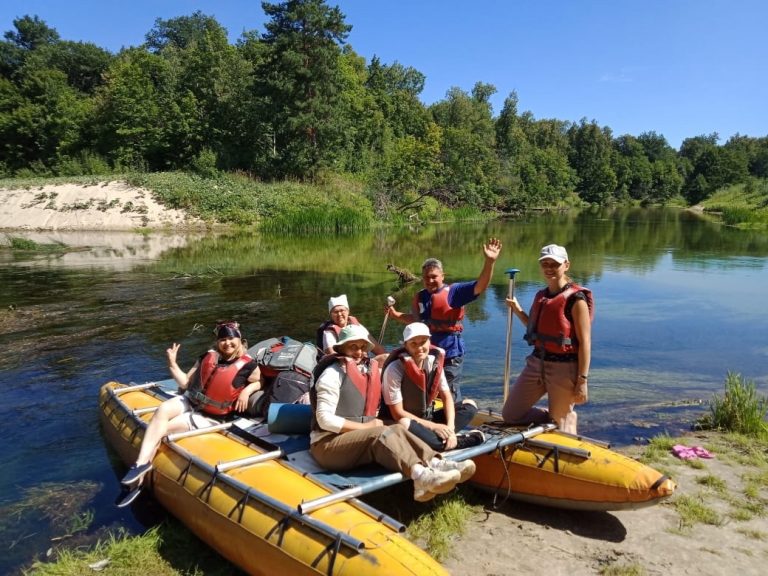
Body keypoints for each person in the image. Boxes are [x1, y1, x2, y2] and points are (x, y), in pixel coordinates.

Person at [310, 324, 476, 502]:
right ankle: (420, 477)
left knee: (397, 427)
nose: (359, 352)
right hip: (328, 445)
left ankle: (436, 463)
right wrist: (365, 427)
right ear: (341, 348)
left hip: (355, 438)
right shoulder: (332, 374)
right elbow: (325, 420)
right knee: (381, 432)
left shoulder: (365, 369)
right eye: (353, 347)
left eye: (362, 347)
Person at [120, 322, 262, 487]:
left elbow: (260, 381)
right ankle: (141, 464)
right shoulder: (208, 357)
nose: (227, 343)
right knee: (163, 409)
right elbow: (185, 383)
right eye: (222, 339)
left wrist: (247, 391)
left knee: (161, 430)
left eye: (231, 339)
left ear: (239, 339)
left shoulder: (249, 365)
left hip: (211, 416)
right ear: (217, 342)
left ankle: (140, 478)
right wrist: (172, 363)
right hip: (191, 401)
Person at [387, 237, 502, 402]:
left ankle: (453, 423)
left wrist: (490, 262)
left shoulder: (454, 293)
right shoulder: (422, 296)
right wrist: (396, 315)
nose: (430, 280)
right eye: (426, 277)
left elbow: (480, 286)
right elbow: (419, 322)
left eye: (434, 276)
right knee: (430, 391)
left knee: (449, 392)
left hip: (450, 354)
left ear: (442, 276)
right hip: (427, 353)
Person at [501, 244, 593, 434]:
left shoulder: (577, 299)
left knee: (562, 427)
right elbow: (536, 330)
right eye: (545, 264)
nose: (549, 268)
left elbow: (585, 343)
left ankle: (563, 418)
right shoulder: (541, 296)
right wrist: (518, 310)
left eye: (555, 264)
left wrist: (582, 380)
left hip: (564, 368)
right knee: (510, 414)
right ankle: (555, 416)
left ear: (566, 265)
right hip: (536, 362)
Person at [381, 322, 484, 451]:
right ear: (405, 345)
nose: (419, 348)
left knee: (470, 405)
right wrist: (434, 427)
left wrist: (450, 429)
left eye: (423, 342)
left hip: (426, 418)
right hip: (405, 421)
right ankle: (453, 443)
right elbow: (397, 413)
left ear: (429, 342)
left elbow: (447, 397)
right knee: (404, 423)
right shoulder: (394, 369)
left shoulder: (433, 363)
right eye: (413, 343)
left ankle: (439, 438)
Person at [317, 294, 387, 358]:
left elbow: (378, 349)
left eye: (342, 310)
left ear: (348, 311)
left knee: (385, 357)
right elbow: (332, 355)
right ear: (331, 315)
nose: (339, 314)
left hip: (361, 362)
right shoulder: (328, 332)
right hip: (341, 365)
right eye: (335, 312)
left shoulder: (358, 326)